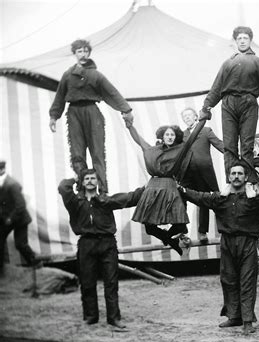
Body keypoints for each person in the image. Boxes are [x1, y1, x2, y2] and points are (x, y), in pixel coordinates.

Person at [178, 164, 259, 335]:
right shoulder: (220, 198)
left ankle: (247, 321)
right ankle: (234, 317)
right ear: (229, 177)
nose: (237, 176)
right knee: (228, 280)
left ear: (246, 178)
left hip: (248, 244)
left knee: (247, 282)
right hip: (227, 244)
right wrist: (180, 189)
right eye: (233, 174)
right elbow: (199, 197)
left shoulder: (255, 199)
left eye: (240, 173)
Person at [58, 168, 144, 329]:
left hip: (107, 244)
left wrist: (147, 188)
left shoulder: (106, 200)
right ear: (82, 183)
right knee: (87, 282)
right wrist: (75, 179)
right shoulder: (74, 202)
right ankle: (91, 316)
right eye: (87, 179)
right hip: (86, 244)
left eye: (93, 178)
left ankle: (114, 318)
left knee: (111, 283)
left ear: (97, 181)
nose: (90, 181)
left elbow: (130, 198)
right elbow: (63, 187)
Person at [199, 26, 259, 183]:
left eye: (245, 38)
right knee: (229, 146)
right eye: (239, 38)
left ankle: (248, 183)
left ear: (250, 40)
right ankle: (231, 183)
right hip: (228, 104)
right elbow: (216, 88)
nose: (242, 41)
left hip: (249, 104)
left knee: (247, 145)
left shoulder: (258, 62)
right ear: (235, 41)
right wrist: (206, 107)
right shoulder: (227, 63)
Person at [49, 39, 134, 193]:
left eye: (85, 51)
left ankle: (102, 190)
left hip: (92, 112)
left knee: (98, 153)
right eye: (79, 51)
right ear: (74, 54)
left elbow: (112, 92)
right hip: (74, 113)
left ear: (89, 52)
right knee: (77, 153)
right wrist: (54, 116)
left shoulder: (96, 75)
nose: (83, 54)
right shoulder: (68, 75)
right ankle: (82, 189)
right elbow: (60, 96)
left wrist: (126, 110)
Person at [124, 115, 208, 255]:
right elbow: (138, 140)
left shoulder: (180, 149)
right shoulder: (152, 150)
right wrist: (130, 126)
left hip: (169, 185)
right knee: (149, 227)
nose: (169, 137)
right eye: (167, 134)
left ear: (176, 137)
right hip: (153, 186)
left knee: (180, 224)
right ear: (162, 137)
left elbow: (193, 136)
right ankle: (169, 239)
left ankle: (169, 238)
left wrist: (203, 120)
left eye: (172, 135)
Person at [180, 107, 224, 244]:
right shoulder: (181, 135)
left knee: (211, 200)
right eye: (184, 116)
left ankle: (204, 232)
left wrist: (235, 155)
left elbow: (220, 145)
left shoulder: (206, 131)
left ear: (195, 117)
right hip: (187, 173)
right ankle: (181, 232)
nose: (187, 118)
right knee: (180, 197)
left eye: (189, 115)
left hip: (204, 172)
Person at [0, 160, 39, 276]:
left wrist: (10, 219)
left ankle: (36, 264)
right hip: (7, 218)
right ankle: (1, 268)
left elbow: (21, 205)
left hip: (19, 219)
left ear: (2, 170)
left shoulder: (12, 184)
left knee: (21, 244)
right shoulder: (2, 183)